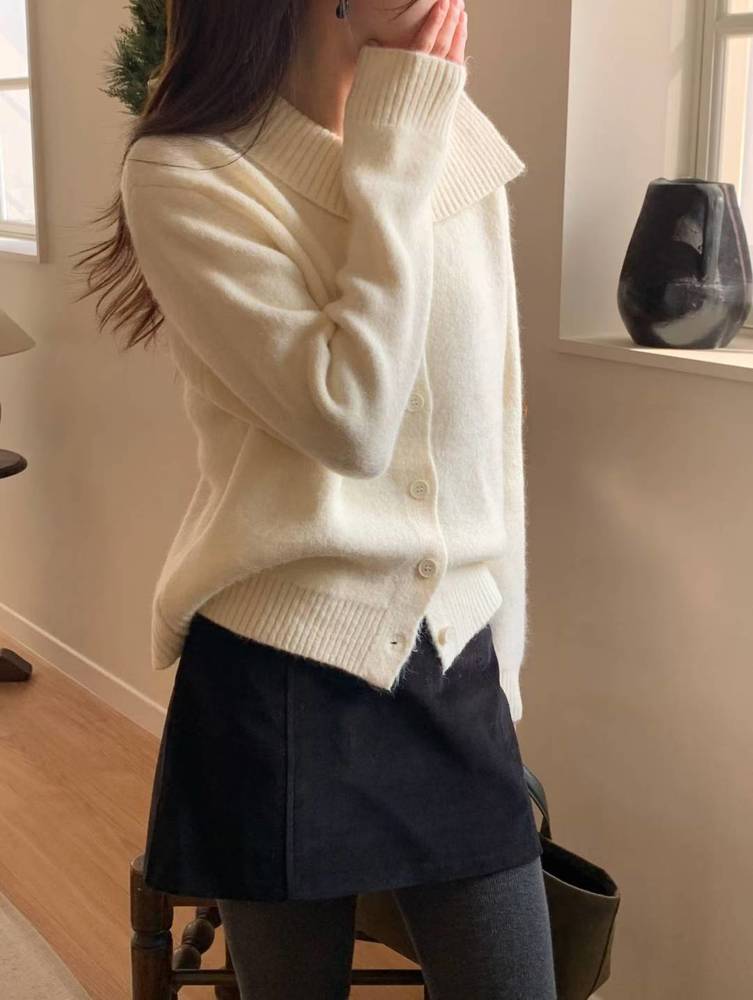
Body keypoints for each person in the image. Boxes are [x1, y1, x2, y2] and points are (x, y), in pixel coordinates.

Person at [74, 0, 557, 997]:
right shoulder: (186, 174)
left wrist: (504, 667)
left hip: (454, 658)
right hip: (282, 675)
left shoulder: (448, 131)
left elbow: (493, 435)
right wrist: (390, 152)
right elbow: (353, 419)